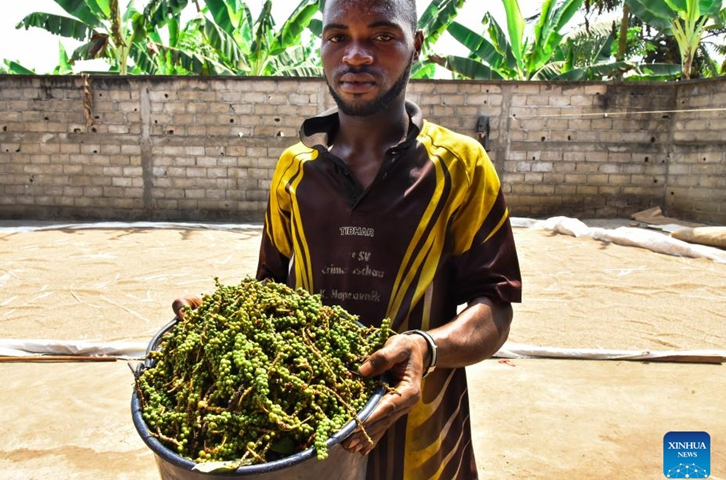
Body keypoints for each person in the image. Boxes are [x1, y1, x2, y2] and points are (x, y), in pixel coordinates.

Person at [174, 0, 522, 478]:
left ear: (415, 45)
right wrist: (223, 315)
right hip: (306, 435)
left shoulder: (460, 165)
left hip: (424, 442)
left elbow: (494, 308)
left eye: (381, 36)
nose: (355, 55)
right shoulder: (295, 170)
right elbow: (270, 290)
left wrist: (426, 345)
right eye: (338, 37)